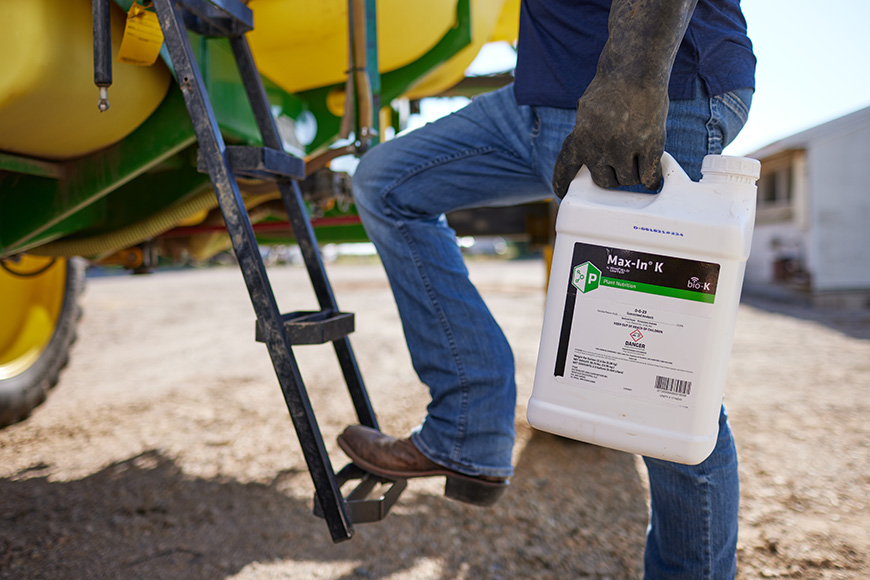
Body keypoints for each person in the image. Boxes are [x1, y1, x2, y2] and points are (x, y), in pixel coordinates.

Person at [338, 0, 755, 577]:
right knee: (385, 184)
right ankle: (470, 424)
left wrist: (631, 77)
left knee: (662, 390)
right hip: (536, 101)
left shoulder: (638, 81)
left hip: (655, 87)